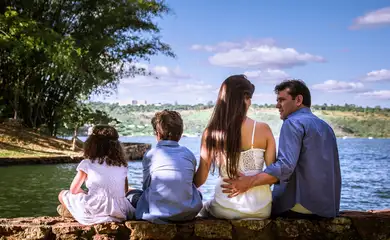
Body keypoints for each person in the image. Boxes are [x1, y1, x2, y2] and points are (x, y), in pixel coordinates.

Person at [221, 79, 341, 218]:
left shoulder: (292, 123)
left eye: (281, 100)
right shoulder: (326, 127)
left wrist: (249, 182)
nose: (277, 105)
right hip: (326, 208)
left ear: (298, 100)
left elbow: (285, 166)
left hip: (300, 206)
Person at [194, 74, 276, 219]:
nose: (250, 102)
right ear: (244, 99)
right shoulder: (264, 129)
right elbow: (275, 175)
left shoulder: (211, 132)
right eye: (249, 97)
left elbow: (201, 177)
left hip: (225, 206)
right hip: (261, 208)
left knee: (202, 211)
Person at [126, 110, 203, 224]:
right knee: (199, 194)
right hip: (187, 213)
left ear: (157, 133)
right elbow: (188, 183)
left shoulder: (151, 154)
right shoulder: (189, 154)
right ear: (181, 134)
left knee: (131, 195)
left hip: (157, 213)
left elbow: (146, 186)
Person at [57, 125, 134, 225]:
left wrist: (85, 193)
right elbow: (125, 191)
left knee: (62, 194)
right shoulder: (122, 165)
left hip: (96, 208)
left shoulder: (87, 163)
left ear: (91, 145)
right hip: (119, 210)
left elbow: (74, 190)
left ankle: (75, 212)